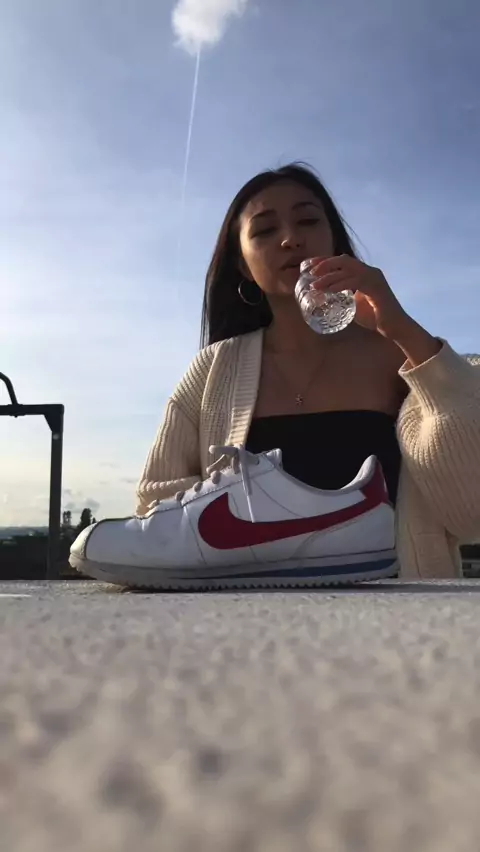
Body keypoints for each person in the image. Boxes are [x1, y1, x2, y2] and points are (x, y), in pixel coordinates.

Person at [71, 163, 480, 587]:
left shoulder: (402, 356)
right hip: (244, 615)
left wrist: (406, 333)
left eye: (308, 221)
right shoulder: (214, 369)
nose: (290, 239)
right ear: (243, 265)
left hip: (406, 614)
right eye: (265, 231)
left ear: (334, 241)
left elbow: (471, 512)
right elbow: (157, 511)